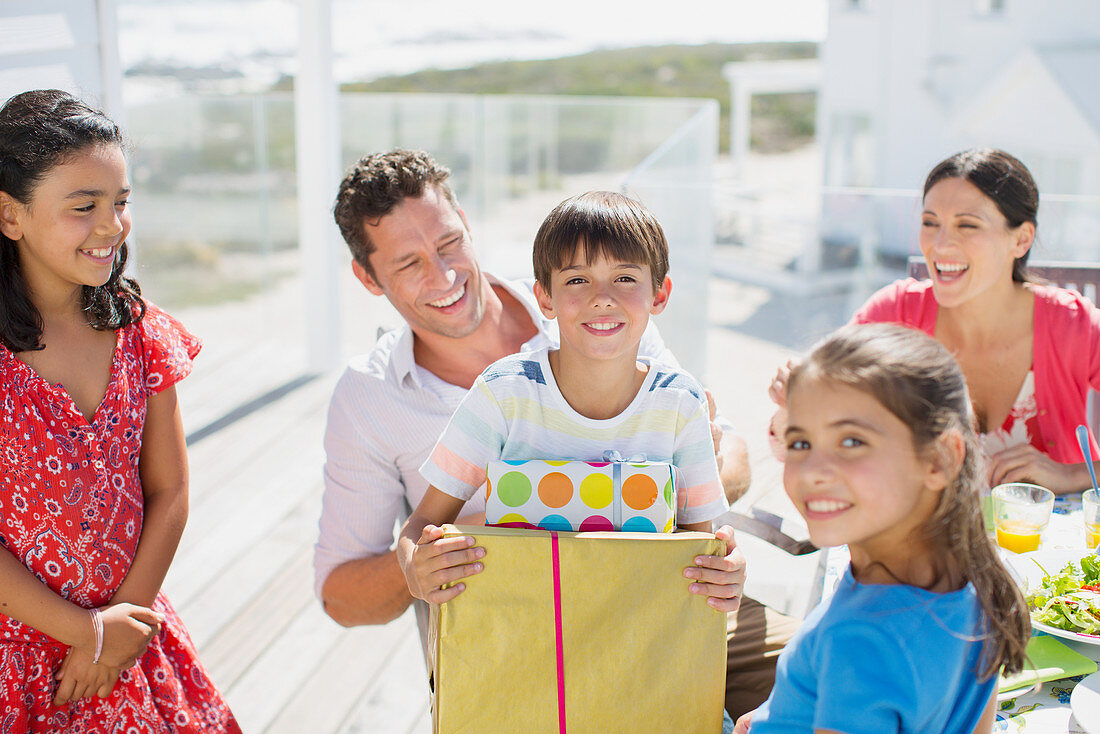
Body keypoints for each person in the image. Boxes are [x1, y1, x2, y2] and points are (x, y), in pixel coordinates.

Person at [315, 149, 796, 718]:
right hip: (513, 636)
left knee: (834, 673)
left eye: (448, 244)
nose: (443, 275)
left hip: (656, 605)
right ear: (367, 278)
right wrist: (471, 539)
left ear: (466, 222)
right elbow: (345, 594)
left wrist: (658, 516)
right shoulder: (376, 395)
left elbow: (716, 457)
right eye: (408, 263)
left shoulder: (599, 307)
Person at [0, 90, 240, 731]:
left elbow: (171, 488)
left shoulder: (137, 329)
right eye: (85, 207)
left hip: (132, 636)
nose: (112, 225)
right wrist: (86, 633)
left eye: (121, 202)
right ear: (10, 215)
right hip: (21, 662)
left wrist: (119, 629)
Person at [738, 323, 1030, 734]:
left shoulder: (858, 642)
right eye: (801, 442)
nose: (814, 472)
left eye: (852, 442)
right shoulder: (978, 574)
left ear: (939, 459)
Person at [770, 148, 1100, 494]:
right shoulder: (895, 313)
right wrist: (791, 405)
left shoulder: (1072, 326)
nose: (941, 245)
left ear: (1021, 239)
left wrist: (1073, 475)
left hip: (1052, 545)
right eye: (930, 223)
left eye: (967, 225)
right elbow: (791, 442)